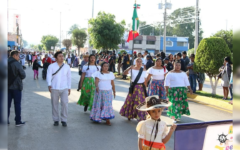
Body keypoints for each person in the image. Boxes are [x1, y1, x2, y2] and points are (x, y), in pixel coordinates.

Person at [47, 51, 71, 127]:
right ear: (56, 58)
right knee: (54, 104)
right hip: (54, 87)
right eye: (60, 56)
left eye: (62, 56)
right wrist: (49, 85)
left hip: (64, 88)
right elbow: (48, 76)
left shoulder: (67, 67)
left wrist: (69, 87)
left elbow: (69, 78)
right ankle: (56, 120)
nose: (62, 58)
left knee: (64, 103)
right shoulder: (51, 66)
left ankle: (64, 120)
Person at [8, 50, 26, 126]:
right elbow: (23, 75)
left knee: (6, 105)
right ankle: (18, 121)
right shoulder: (16, 64)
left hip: (6, 87)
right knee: (17, 104)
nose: (19, 57)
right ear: (14, 55)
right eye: (18, 56)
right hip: (16, 87)